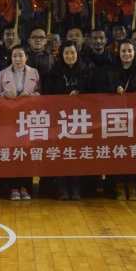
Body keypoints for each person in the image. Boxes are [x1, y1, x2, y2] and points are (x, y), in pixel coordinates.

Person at [0, 44, 41, 200]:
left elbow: (40, 94)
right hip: (9, 119)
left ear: (26, 57)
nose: (17, 59)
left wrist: (30, 96)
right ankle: (13, 187)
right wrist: (4, 94)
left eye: (21, 55)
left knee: (27, 153)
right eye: (14, 56)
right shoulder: (3, 73)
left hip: (28, 119)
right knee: (12, 153)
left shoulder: (34, 72)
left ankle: (25, 186)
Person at [46, 41, 88, 200]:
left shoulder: (85, 71)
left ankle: (76, 189)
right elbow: (47, 97)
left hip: (80, 121)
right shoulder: (53, 73)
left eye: (73, 53)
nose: (70, 56)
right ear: (61, 55)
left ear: (77, 54)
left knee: (77, 156)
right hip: (59, 121)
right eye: (66, 53)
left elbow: (92, 93)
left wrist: (81, 93)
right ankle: (62, 189)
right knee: (61, 156)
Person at [107, 41, 136, 201]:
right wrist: (113, 89)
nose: (127, 54)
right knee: (118, 153)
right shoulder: (111, 70)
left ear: (134, 52)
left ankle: (132, 185)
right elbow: (101, 89)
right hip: (115, 121)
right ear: (118, 53)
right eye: (123, 51)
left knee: (133, 153)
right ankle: (118, 186)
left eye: (130, 51)